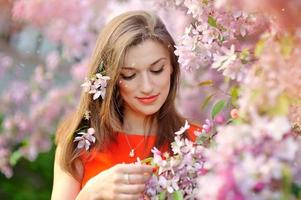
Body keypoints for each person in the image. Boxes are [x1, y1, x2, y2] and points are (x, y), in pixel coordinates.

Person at [51, 10, 200, 200]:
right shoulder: (79, 145)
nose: (147, 87)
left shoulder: (197, 142)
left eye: (157, 70)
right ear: (111, 79)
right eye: (129, 75)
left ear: (172, 68)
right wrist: (91, 194)